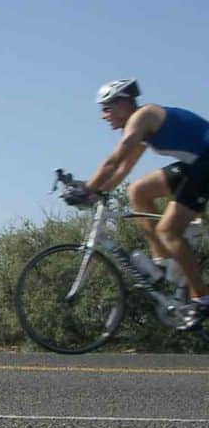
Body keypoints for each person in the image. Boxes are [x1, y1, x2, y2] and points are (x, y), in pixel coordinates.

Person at [73, 79, 209, 327]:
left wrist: (87, 189)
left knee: (168, 229)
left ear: (123, 103)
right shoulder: (142, 126)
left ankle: (203, 298)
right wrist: (98, 192)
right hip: (195, 163)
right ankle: (163, 263)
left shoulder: (143, 117)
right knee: (138, 191)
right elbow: (125, 168)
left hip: (205, 163)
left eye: (107, 108)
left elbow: (113, 161)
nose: (104, 116)